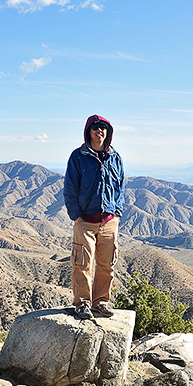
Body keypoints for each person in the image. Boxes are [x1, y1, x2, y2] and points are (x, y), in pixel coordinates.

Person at [63, 114, 125, 320]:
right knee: (82, 264)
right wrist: (76, 216)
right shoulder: (78, 156)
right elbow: (70, 187)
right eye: (95, 127)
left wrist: (117, 213)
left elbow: (120, 186)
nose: (100, 130)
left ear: (108, 132)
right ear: (88, 131)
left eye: (103, 127)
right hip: (85, 221)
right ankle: (82, 304)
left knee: (107, 265)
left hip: (109, 221)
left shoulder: (115, 157)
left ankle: (101, 303)